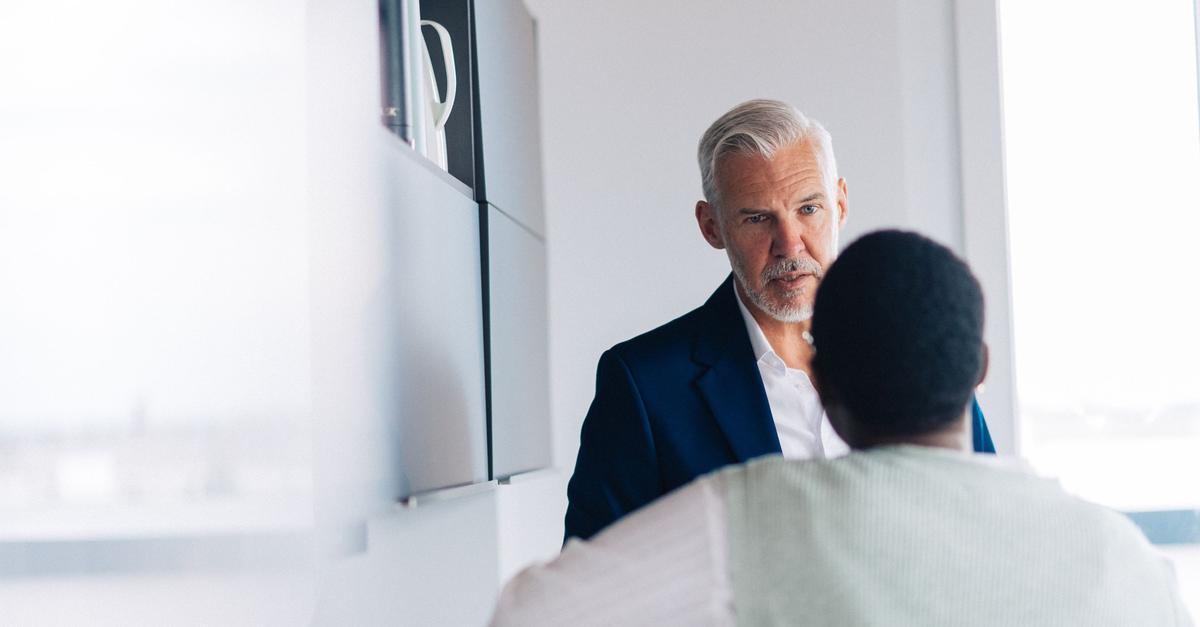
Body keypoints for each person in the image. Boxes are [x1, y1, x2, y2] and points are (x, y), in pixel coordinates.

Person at [492, 230, 1193, 627]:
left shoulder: (752, 517)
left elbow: (530, 615)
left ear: (820, 381)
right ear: (978, 368)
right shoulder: (1124, 559)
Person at [565, 99, 994, 541]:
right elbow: (590, 575)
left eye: (808, 209)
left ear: (840, 204)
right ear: (711, 226)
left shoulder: (921, 349)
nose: (789, 244)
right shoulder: (644, 386)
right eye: (757, 218)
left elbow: (990, 526)